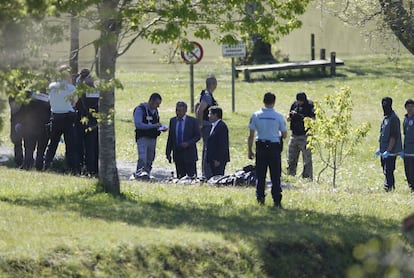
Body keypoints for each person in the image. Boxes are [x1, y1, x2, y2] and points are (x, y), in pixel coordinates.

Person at [248, 92, 287, 207]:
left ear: (263, 101)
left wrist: (250, 150)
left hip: (261, 146)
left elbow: (251, 135)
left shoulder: (256, 115)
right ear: (274, 102)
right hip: (274, 147)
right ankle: (276, 199)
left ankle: (260, 197)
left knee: (261, 174)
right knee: (275, 175)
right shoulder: (278, 116)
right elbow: (284, 134)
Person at [44, 65, 79, 173]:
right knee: (70, 144)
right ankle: (72, 168)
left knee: (53, 143)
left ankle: (47, 165)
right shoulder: (71, 88)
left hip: (55, 116)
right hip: (68, 117)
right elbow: (74, 102)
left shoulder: (51, 86)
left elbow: (50, 100)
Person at [133, 93, 167, 178]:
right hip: (142, 138)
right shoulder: (140, 110)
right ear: (151, 101)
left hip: (153, 138)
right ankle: (139, 174)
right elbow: (138, 124)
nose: (158, 106)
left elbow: (155, 123)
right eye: (157, 104)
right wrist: (153, 126)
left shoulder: (155, 111)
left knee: (150, 158)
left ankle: (146, 174)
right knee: (142, 157)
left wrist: (161, 128)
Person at [166, 101, 201, 178]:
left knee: (191, 177)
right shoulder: (173, 121)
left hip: (189, 154)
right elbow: (170, 138)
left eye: (180, 110)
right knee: (180, 177)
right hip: (177, 153)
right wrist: (168, 152)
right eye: (177, 110)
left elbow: (197, 136)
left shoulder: (192, 121)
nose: (178, 113)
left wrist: (188, 143)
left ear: (185, 110)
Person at [75, 69, 99, 176]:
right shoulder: (97, 92)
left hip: (82, 120)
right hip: (94, 121)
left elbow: (77, 104)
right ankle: (93, 169)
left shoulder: (80, 91)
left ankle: (82, 168)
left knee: (81, 146)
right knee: (93, 147)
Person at [375, 97, 402, 192]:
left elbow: (393, 136)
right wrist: (380, 149)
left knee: (389, 170)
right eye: (383, 104)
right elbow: (382, 134)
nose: (384, 107)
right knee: (385, 169)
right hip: (384, 150)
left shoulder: (394, 119)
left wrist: (389, 150)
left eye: (386, 104)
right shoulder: (386, 118)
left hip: (391, 151)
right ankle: (389, 186)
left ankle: (388, 187)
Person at [286, 91, 315, 180]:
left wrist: (301, 117)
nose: (299, 103)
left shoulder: (310, 105)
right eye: (298, 101)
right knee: (291, 158)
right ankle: (290, 176)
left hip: (305, 135)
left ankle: (307, 177)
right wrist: (291, 117)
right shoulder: (294, 105)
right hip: (294, 135)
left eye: (301, 101)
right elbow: (288, 118)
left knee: (307, 159)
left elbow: (313, 120)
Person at [20, 88, 51, 170]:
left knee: (29, 147)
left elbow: (23, 110)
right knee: (41, 148)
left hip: (30, 124)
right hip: (44, 125)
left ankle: (27, 164)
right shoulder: (49, 97)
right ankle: (39, 165)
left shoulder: (29, 95)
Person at [196, 75, 218, 179]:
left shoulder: (205, 94)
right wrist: (200, 124)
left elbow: (197, 106)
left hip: (207, 125)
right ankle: (206, 173)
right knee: (207, 149)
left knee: (207, 148)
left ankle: (206, 172)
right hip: (207, 125)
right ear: (213, 84)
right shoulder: (207, 96)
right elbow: (200, 110)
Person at [206, 106, 230, 178]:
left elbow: (223, 144)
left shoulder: (221, 127)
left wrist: (218, 160)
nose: (208, 116)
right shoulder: (214, 126)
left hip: (218, 160)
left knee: (218, 177)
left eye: (210, 114)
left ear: (215, 115)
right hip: (213, 159)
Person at [402, 99, 414, 192]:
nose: (410, 108)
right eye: (408, 106)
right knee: (407, 172)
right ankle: (411, 187)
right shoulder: (405, 119)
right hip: (406, 151)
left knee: (412, 172)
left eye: (412, 106)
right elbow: (405, 134)